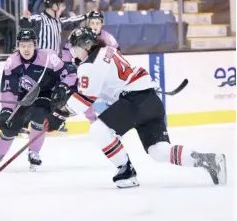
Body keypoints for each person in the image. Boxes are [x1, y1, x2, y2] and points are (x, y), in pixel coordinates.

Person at [56, 27, 227, 188]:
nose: (73, 53)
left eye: (75, 48)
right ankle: (209, 161)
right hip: (150, 99)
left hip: (134, 101)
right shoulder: (109, 50)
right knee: (159, 151)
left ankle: (126, 172)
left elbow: (85, 99)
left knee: (99, 130)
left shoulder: (89, 65)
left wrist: (60, 112)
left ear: (85, 45)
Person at [0, 28, 76, 171]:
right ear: (18, 46)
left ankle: (34, 152)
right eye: (23, 45)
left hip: (47, 93)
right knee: (10, 124)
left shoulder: (49, 57)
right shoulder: (11, 63)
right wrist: (6, 112)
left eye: (30, 45)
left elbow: (70, 75)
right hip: (25, 96)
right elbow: (9, 91)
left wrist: (62, 88)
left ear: (35, 44)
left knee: (39, 116)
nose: (26, 49)